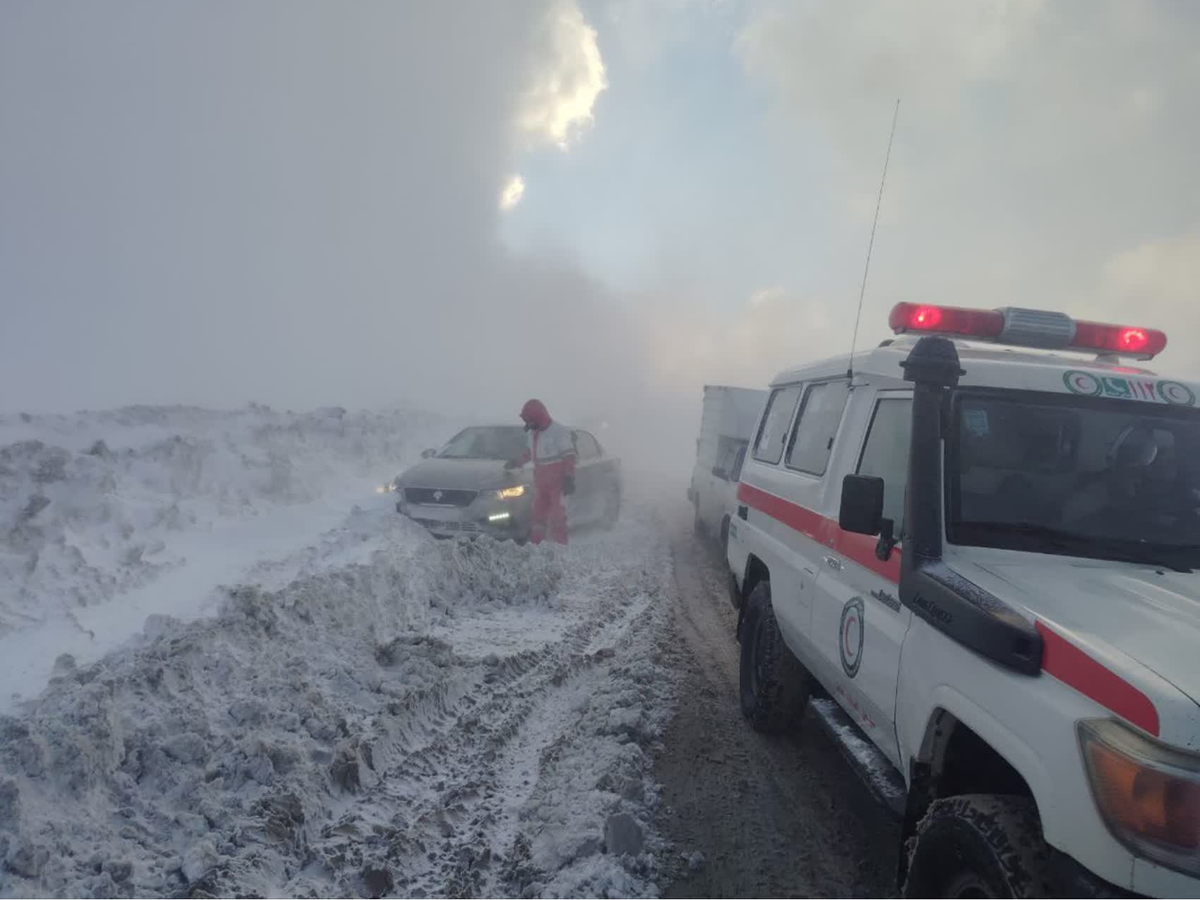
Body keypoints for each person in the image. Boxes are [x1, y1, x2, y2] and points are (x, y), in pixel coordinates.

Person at [506, 399, 576, 545]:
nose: (528, 425)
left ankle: (561, 549)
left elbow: (569, 456)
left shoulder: (558, 432)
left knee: (557, 517)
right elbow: (529, 452)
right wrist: (517, 462)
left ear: (539, 417)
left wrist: (569, 477)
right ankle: (537, 546)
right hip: (540, 482)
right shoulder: (532, 433)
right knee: (537, 516)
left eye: (530, 421)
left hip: (558, 483)